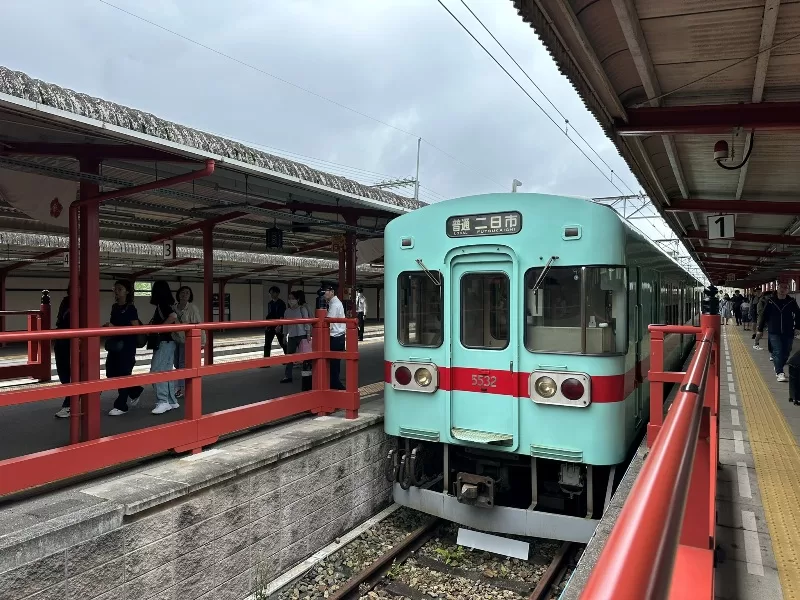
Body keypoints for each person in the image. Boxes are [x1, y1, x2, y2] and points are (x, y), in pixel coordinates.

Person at [106, 280, 144, 416]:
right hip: (115, 344)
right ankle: (135, 390)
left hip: (127, 345)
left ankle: (121, 405)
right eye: (115, 289)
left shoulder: (131, 308)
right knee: (110, 372)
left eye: (120, 289)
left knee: (123, 373)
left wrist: (114, 328)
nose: (117, 291)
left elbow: (135, 328)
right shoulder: (114, 307)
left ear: (127, 291)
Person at [756, 282, 800, 382]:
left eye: (785, 288)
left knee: (787, 351)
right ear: (777, 288)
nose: (783, 289)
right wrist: (760, 330)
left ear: (788, 290)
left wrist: (798, 327)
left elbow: (798, 314)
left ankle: (778, 365)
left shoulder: (791, 301)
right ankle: (780, 372)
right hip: (774, 330)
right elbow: (764, 315)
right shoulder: (770, 301)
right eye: (781, 287)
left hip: (788, 330)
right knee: (778, 350)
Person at [148, 280, 179, 414]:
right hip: (170, 342)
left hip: (163, 342)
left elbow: (173, 316)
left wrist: (160, 329)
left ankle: (162, 401)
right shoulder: (166, 304)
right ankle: (172, 401)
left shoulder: (162, 304)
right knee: (166, 371)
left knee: (156, 371)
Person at [172, 285, 203, 399]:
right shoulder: (174, 307)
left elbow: (198, 324)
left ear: (190, 296)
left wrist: (202, 341)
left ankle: (179, 387)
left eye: (187, 293)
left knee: (181, 363)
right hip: (175, 339)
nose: (184, 295)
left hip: (186, 340)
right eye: (182, 292)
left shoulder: (192, 308)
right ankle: (181, 384)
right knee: (176, 363)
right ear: (178, 294)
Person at [279, 290, 312, 383]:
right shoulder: (287, 311)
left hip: (303, 336)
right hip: (292, 336)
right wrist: (284, 335)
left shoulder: (302, 309)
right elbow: (285, 325)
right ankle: (288, 376)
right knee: (289, 356)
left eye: (293, 298)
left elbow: (306, 322)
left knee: (305, 357)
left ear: (297, 299)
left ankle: (307, 375)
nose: (290, 300)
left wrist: (308, 334)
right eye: (289, 299)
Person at [322, 283, 346, 390]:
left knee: (333, 364)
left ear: (332, 292)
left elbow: (329, 323)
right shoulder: (334, 302)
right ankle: (334, 384)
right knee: (335, 363)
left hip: (335, 337)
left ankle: (336, 385)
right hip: (339, 337)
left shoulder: (334, 305)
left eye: (326, 291)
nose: (324, 293)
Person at [53, 291, 73, 419]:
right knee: (62, 369)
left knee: (73, 371)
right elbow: (60, 319)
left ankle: (69, 404)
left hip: (76, 339)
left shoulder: (85, 301)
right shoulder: (66, 300)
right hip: (62, 336)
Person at [263, 286, 287, 365]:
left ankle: (287, 359)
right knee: (267, 343)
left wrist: (279, 325)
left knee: (282, 343)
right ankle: (266, 361)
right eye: (270, 293)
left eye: (272, 292)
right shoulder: (270, 303)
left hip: (278, 325)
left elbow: (282, 315)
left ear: (277, 293)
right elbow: (269, 314)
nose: (271, 294)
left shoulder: (281, 303)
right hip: (270, 325)